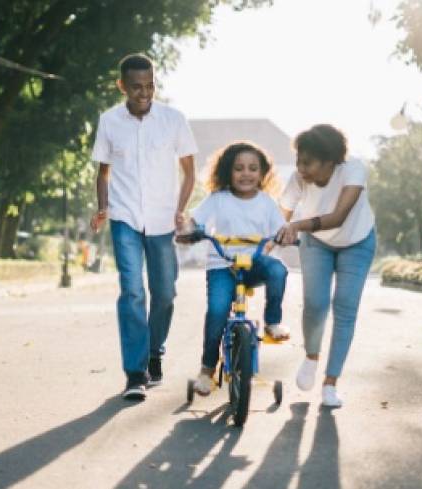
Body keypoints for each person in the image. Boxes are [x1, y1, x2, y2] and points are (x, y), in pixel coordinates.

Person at [90, 53, 197, 401]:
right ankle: (135, 373)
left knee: (165, 294)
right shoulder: (109, 121)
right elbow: (103, 171)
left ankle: (155, 352)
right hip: (124, 218)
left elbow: (189, 171)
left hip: (163, 219)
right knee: (133, 292)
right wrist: (104, 207)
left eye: (150, 85)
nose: (144, 92)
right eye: (136, 87)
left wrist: (180, 210)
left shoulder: (173, 120)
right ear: (122, 86)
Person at [277, 124, 376, 408]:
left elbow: (338, 217)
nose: (301, 168)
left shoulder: (353, 170)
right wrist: (269, 241)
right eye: (298, 160)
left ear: (330, 161)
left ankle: (331, 383)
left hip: (357, 241)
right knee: (315, 303)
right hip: (317, 244)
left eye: (307, 162)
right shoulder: (299, 179)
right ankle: (311, 356)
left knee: (345, 307)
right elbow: (280, 216)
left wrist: (296, 225)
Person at [182, 141, 290, 396]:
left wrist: (284, 236)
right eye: (239, 168)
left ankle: (273, 322)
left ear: (262, 174)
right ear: (228, 172)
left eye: (253, 168)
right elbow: (194, 221)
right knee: (218, 311)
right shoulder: (218, 199)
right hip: (222, 265)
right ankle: (207, 370)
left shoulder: (266, 202)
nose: (246, 174)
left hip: (253, 263)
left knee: (278, 270)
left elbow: (279, 231)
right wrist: (189, 231)